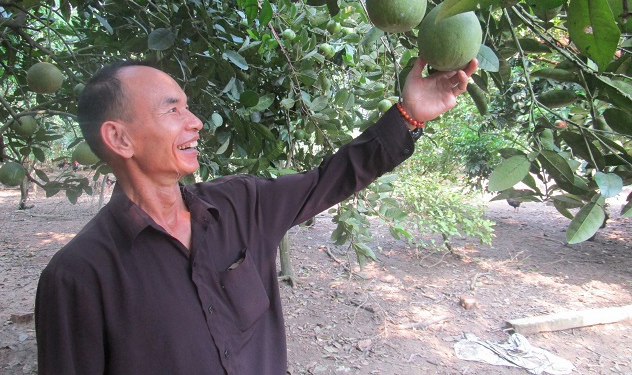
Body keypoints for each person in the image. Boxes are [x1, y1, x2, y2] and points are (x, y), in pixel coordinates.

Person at [35, 57, 478, 375]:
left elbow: (332, 177)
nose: (195, 122)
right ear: (120, 138)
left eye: (187, 106)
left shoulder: (241, 205)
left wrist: (408, 115)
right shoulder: (78, 277)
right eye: (172, 109)